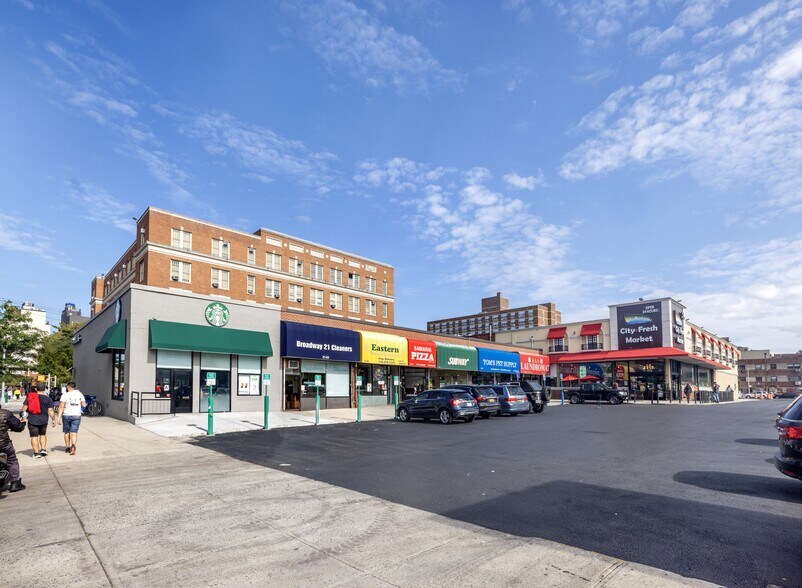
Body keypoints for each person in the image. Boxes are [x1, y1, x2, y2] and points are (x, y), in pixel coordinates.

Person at [21, 383, 55, 458]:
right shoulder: (48, 399)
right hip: (43, 420)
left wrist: (23, 417)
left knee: (34, 436)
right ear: (45, 389)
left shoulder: (30, 397)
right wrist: (53, 420)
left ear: (36, 389)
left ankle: (36, 453)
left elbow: (24, 408)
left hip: (32, 420)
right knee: (43, 434)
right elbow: (51, 410)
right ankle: (43, 449)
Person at [0, 398, 27, 492]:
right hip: (4, 444)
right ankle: (15, 482)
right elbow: (18, 426)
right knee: (12, 460)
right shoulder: (6, 413)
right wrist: (22, 423)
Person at [58, 382, 86, 455]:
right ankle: (73, 445)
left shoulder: (65, 395)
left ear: (67, 387)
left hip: (66, 415)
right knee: (74, 432)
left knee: (67, 432)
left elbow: (61, 406)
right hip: (76, 415)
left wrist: (59, 417)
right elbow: (84, 404)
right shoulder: (79, 394)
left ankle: (67, 447)